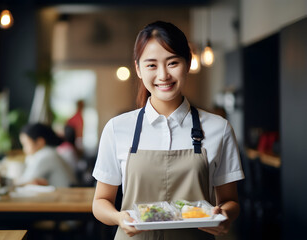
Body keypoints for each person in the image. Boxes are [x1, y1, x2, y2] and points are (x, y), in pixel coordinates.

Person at [92, 21, 244, 240]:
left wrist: (224, 215)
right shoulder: (117, 129)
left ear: (188, 63)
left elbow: (231, 201)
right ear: (138, 69)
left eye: (172, 63)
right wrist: (119, 218)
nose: (163, 75)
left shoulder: (219, 128)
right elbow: (100, 202)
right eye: (152, 65)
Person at [16, 123, 76, 187]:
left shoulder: (45, 155)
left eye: (25, 144)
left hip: (66, 194)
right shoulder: (50, 152)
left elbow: (25, 181)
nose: (24, 149)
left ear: (40, 142)